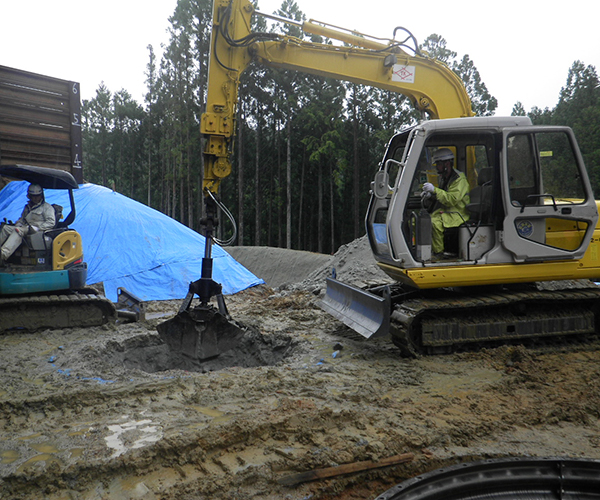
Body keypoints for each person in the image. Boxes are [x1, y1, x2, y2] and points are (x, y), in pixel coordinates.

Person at [421, 148, 470, 257]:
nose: (436, 166)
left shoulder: (459, 179)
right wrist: (431, 195)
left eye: (438, 163)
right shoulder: (444, 177)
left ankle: (439, 253)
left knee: (434, 223)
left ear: (447, 163)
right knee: (419, 221)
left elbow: (452, 199)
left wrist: (434, 190)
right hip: (447, 212)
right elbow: (442, 195)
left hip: (458, 213)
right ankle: (422, 250)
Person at [0, 183, 56, 263]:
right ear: (29, 196)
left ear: (41, 195)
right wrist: (19, 223)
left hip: (38, 231)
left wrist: (38, 227)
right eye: (34, 196)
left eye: (38, 195)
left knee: (18, 231)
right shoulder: (27, 207)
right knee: (6, 228)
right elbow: (22, 219)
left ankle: (3, 254)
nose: (36, 198)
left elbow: (51, 223)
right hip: (26, 228)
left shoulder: (47, 207)